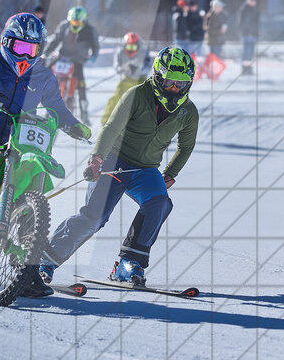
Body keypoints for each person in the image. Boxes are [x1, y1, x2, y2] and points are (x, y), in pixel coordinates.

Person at [41, 47, 199, 287]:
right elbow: (111, 127)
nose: (175, 89)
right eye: (170, 82)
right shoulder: (136, 95)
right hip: (115, 161)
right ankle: (43, 260)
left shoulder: (188, 112)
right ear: (158, 76)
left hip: (145, 170)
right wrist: (97, 159)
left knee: (160, 203)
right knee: (95, 217)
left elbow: (185, 147)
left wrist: (170, 174)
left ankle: (129, 263)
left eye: (181, 83)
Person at [0, 13, 90, 297]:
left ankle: (27, 271)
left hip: (21, 139)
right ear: (6, 42)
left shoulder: (44, 78)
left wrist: (75, 126)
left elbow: (57, 109)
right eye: (20, 47)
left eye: (32, 49)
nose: (25, 54)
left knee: (31, 191)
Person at [46, 6, 100, 123]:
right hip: (62, 57)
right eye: (73, 22)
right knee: (46, 71)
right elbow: (55, 39)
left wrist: (93, 55)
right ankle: (44, 96)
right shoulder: (64, 26)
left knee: (81, 85)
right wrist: (47, 51)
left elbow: (95, 45)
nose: (75, 24)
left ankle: (84, 113)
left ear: (83, 21)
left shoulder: (90, 30)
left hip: (78, 60)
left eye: (78, 22)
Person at [100, 33, 152, 125]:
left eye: (133, 47)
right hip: (127, 79)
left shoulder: (144, 52)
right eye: (128, 47)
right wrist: (124, 67)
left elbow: (149, 67)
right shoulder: (120, 52)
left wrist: (138, 68)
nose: (131, 49)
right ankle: (106, 122)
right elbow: (117, 67)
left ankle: (145, 125)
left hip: (140, 80)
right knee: (115, 99)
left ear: (138, 45)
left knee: (143, 102)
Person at [237, 0, 259, 75]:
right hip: (247, 34)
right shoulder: (244, 9)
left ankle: (249, 69)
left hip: (253, 34)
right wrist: (247, 32)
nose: (254, 2)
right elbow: (243, 23)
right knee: (246, 52)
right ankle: (244, 69)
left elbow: (256, 23)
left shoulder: (254, 9)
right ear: (248, 1)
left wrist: (256, 34)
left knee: (251, 53)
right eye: (252, 0)